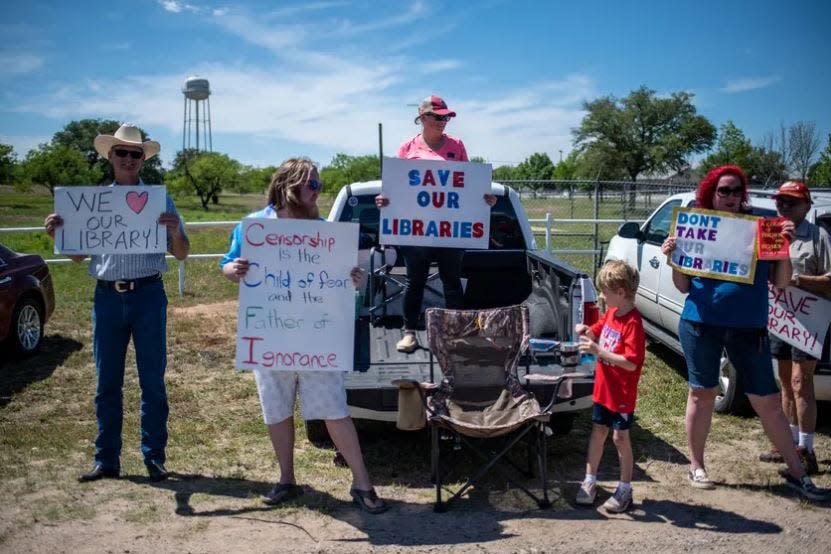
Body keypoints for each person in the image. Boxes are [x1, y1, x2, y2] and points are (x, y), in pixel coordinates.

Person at [220, 157, 387, 514]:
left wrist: (355, 280)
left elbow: (345, 278)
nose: (317, 192)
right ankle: (286, 479)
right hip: (271, 335)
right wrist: (232, 269)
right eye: (312, 184)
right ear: (288, 186)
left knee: (334, 409)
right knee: (276, 409)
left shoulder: (326, 231)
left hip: (318, 339)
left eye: (319, 185)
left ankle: (362, 482)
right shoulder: (254, 229)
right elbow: (228, 263)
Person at [661, 164, 827, 501]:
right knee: (701, 393)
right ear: (712, 193)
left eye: (738, 190)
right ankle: (697, 465)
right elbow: (681, 286)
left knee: (766, 400)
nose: (732, 196)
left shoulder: (760, 230)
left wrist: (782, 250)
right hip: (700, 323)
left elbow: (780, 282)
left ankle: (798, 472)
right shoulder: (697, 227)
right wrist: (673, 256)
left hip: (749, 327)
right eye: (725, 190)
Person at [44, 123, 190, 482]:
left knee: (152, 380)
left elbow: (183, 252)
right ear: (110, 156)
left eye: (135, 153)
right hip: (107, 297)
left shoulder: (160, 199)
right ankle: (106, 459)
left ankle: (154, 456)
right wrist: (58, 232)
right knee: (106, 382)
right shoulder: (94, 202)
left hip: (148, 296)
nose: (128, 159)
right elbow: (78, 256)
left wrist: (174, 231)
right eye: (121, 152)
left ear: (144, 160)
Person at [375, 95, 495, 353]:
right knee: (414, 281)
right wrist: (386, 200)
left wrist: (484, 198)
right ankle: (409, 333)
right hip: (417, 231)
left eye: (446, 118)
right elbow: (398, 187)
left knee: (452, 280)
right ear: (423, 117)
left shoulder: (457, 146)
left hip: (451, 229)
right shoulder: (407, 148)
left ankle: (457, 332)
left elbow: (467, 183)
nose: (443, 122)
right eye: (438, 117)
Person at [759, 181, 831, 474]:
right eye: (781, 202)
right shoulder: (771, 234)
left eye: (791, 202)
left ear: (806, 206)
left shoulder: (818, 237)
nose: (785, 207)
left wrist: (797, 280)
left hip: (808, 321)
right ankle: (786, 446)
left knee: (803, 384)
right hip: (780, 319)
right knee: (786, 383)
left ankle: (807, 451)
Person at [574, 260, 645, 513]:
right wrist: (588, 332)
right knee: (598, 432)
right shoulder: (613, 313)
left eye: (605, 291)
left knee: (620, 437)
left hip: (622, 394)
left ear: (621, 292)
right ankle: (589, 480)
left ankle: (625, 489)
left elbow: (631, 363)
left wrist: (598, 351)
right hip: (604, 390)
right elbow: (600, 326)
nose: (602, 296)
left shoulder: (633, 323)